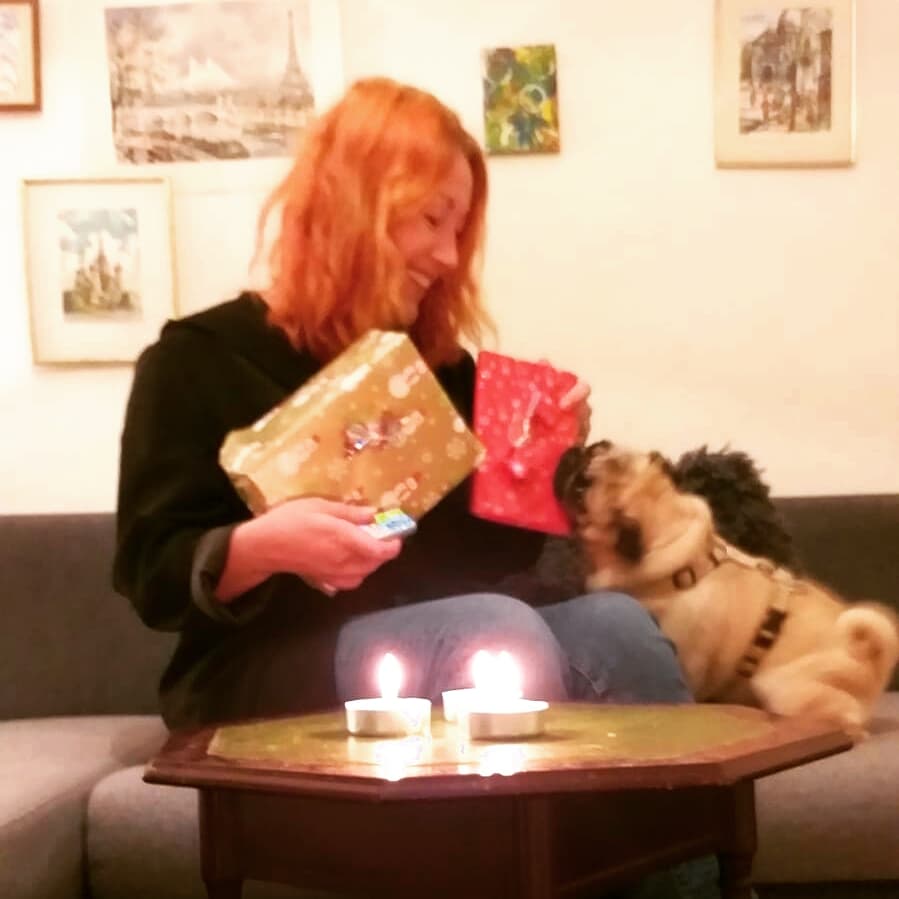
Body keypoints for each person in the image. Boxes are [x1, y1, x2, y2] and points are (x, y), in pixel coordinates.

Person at [114, 77, 720, 899]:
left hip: (426, 633)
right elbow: (150, 571)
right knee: (495, 630)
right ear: (356, 205)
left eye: (458, 228)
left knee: (614, 624)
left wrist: (535, 459)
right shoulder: (195, 359)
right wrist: (262, 547)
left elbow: (485, 555)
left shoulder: (439, 368)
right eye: (432, 219)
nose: (446, 254)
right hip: (262, 664)